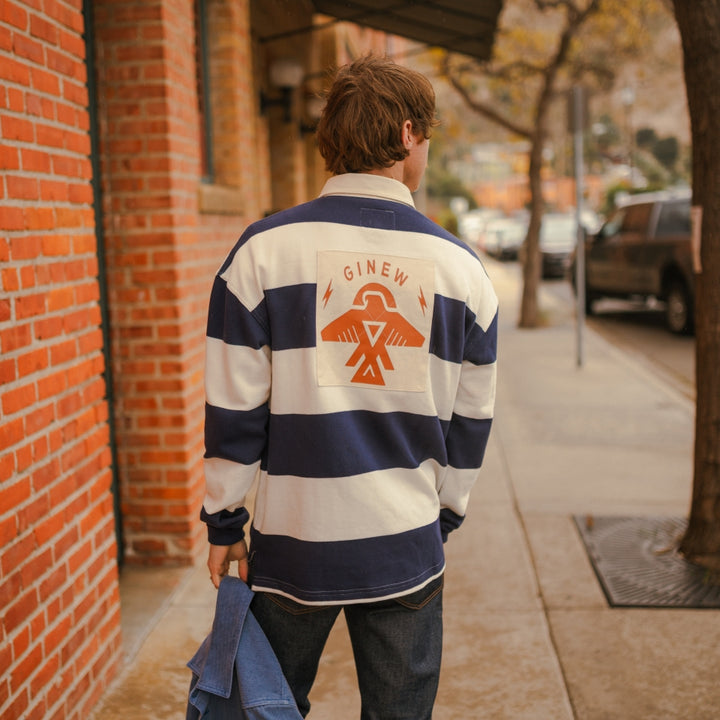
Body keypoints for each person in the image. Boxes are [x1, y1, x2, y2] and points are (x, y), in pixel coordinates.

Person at [201, 54, 498, 720]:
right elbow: (471, 419)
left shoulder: (262, 253)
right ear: (405, 133)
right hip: (406, 541)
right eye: (426, 136)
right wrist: (444, 511)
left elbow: (233, 404)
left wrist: (225, 522)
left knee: (267, 708)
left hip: (293, 542)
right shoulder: (463, 272)